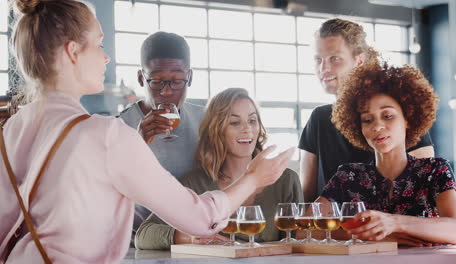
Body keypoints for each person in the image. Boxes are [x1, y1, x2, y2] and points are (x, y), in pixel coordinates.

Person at [0, 1, 294, 263]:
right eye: (99, 45)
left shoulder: (12, 129)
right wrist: (254, 178)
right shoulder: (107, 134)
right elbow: (199, 219)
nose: (106, 58)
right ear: (73, 52)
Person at [135, 88, 304, 249]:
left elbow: (301, 243)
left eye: (252, 121)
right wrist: (191, 238)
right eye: (235, 122)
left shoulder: (286, 180)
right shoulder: (194, 183)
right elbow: (143, 235)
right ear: (216, 130)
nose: (247, 129)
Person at [316, 63, 456, 246]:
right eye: (367, 120)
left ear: (408, 119)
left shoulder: (434, 171)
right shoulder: (347, 176)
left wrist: (393, 223)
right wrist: (377, 236)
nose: (377, 127)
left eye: (387, 116)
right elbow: (303, 232)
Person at [299, 18, 434, 202]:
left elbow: (424, 197)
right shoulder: (319, 119)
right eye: (318, 59)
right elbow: (306, 199)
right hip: (330, 229)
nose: (324, 68)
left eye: (334, 58)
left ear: (359, 60)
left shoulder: (399, 114)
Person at [117, 31, 204, 244]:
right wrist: (136, 145)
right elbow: (106, 194)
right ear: (140, 78)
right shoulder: (118, 127)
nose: (166, 92)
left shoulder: (206, 120)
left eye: (176, 81)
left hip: (194, 239)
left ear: (190, 77)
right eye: (156, 81)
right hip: (138, 243)